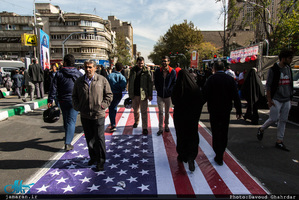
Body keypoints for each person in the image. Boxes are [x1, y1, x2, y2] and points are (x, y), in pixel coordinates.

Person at [72, 60, 113, 171]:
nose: (88, 69)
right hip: (85, 115)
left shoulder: (102, 80)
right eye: (86, 67)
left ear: (95, 68)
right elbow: (74, 96)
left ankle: (101, 161)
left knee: (99, 138)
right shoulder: (79, 81)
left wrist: (103, 106)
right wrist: (78, 107)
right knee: (89, 138)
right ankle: (93, 157)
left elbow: (109, 95)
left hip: (98, 114)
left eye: (90, 67)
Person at [203, 61, 242, 166]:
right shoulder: (230, 79)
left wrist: (197, 107)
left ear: (214, 68)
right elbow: (236, 96)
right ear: (223, 68)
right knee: (224, 131)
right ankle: (222, 151)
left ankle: (218, 154)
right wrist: (239, 110)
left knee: (216, 132)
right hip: (226, 110)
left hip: (214, 110)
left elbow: (205, 95)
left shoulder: (211, 79)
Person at [257, 49, 294, 151]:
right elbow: (268, 86)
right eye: (289, 58)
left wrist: (290, 96)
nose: (291, 60)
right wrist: (269, 99)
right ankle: (261, 128)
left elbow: (290, 83)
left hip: (286, 99)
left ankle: (279, 140)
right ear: (283, 58)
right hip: (276, 99)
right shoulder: (273, 70)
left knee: (283, 120)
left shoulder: (288, 69)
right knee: (273, 118)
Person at [48, 54, 83, 151]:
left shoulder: (59, 74)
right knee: (71, 121)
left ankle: (67, 136)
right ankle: (68, 143)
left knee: (66, 118)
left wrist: (50, 100)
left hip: (62, 100)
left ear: (65, 62)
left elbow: (53, 88)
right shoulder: (78, 74)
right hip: (74, 101)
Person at [171, 69, 203, 171]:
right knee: (192, 135)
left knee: (181, 135)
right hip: (192, 117)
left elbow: (174, 100)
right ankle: (191, 157)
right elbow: (200, 102)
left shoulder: (177, 87)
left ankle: (182, 155)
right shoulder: (195, 87)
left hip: (180, 116)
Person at [128, 57, 153, 135]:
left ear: (143, 63)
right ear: (137, 63)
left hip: (143, 95)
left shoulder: (146, 72)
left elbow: (150, 84)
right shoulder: (132, 71)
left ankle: (145, 127)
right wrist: (130, 93)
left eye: (142, 63)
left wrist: (150, 94)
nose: (140, 65)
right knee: (135, 110)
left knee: (144, 112)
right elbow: (130, 82)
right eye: (139, 63)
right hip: (134, 95)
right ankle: (136, 121)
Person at [154, 56, 176, 136]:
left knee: (167, 112)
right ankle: (160, 128)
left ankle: (166, 126)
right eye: (163, 61)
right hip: (160, 95)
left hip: (168, 95)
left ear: (169, 62)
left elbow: (174, 82)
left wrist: (170, 90)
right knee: (160, 112)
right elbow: (155, 81)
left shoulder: (172, 71)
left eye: (166, 61)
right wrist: (158, 89)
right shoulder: (157, 71)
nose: (164, 63)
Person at [107, 62, 127, 132]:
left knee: (111, 108)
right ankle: (113, 123)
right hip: (118, 94)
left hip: (110, 93)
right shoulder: (122, 77)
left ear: (115, 68)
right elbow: (123, 87)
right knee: (114, 107)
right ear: (121, 69)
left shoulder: (110, 76)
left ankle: (113, 123)